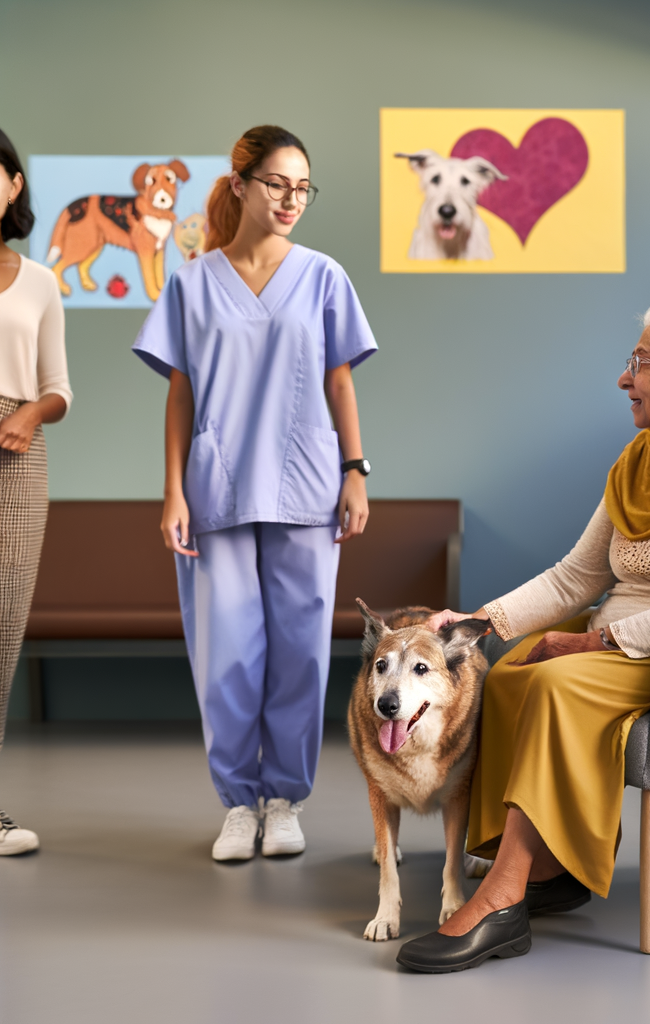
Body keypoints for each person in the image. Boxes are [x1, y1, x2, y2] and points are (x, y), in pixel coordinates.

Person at [395, 300, 650, 972]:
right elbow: (574, 577)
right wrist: (476, 623)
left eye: (640, 363)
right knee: (514, 667)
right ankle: (550, 865)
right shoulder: (641, 458)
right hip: (637, 647)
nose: (624, 379)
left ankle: (502, 900)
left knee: (554, 679)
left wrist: (590, 645)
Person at [132, 126, 377, 861]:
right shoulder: (192, 280)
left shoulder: (324, 276)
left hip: (306, 482)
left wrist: (357, 469)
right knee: (227, 653)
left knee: (300, 651)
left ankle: (285, 799)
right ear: (239, 184)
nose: (291, 199)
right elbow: (180, 392)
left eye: (303, 187)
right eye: (277, 183)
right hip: (218, 487)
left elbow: (340, 378)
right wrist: (172, 491)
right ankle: (239, 804)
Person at [0, 129, 73, 856]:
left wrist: (25, 413)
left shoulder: (40, 280)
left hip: (17, 456)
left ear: (13, 186)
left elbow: (58, 390)